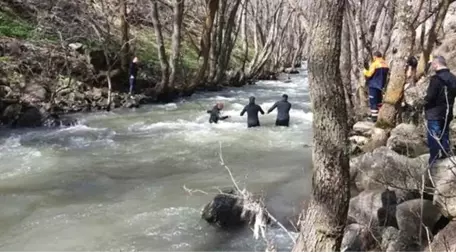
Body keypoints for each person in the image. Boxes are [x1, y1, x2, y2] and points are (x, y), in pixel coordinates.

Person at [424, 55, 456, 165]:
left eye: (433, 64)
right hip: (447, 113)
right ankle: (446, 161)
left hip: (434, 114)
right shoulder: (453, 78)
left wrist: (423, 102)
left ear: (436, 64)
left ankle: (434, 165)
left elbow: (430, 97)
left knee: (434, 139)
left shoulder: (436, 79)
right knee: (445, 136)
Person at [363, 51, 389, 122]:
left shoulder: (374, 64)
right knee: (379, 102)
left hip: (373, 85)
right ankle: (380, 116)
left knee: (373, 101)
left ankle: (374, 118)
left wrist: (364, 71)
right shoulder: (385, 64)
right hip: (381, 86)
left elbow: (369, 74)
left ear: (375, 56)